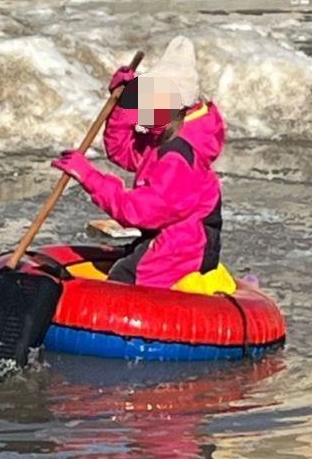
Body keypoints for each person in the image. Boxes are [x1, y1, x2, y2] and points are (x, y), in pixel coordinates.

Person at [51, 37, 231, 291]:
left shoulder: (178, 156)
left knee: (125, 277)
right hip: (167, 235)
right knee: (125, 263)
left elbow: (139, 212)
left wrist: (90, 177)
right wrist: (123, 101)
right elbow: (122, 150)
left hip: (184, 247)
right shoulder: (166, 132)